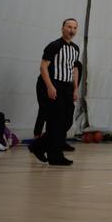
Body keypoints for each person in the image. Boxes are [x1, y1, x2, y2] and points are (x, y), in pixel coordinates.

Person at [29, 19, 80, 166]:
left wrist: (75, 88)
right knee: (56, 122)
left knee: (67, 121)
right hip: (53, 84)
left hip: (67, 86)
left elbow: (74, 69)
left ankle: (38, 146)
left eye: (74, 28)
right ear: (62, 28)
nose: (72, 30)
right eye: (69, 27)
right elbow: (43, 67)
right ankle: (55, 156)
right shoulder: (54, 46)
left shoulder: (75, 48)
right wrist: (50, 86)